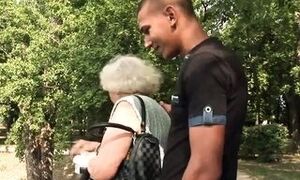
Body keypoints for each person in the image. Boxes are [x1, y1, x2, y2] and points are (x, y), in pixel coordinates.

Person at [137, 0, 248, 180]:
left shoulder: (204, 66)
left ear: (171, 16)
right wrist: (179, 113)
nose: (146, 43)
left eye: (147, 30)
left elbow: (205, 169)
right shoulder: (212, 60)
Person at [70, 55, 170, 179]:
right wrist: (95, 146)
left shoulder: (127, 105)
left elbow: (103, 171)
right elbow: (136, 148)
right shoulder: (156, 108)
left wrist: (87, 161)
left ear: (115, 86)